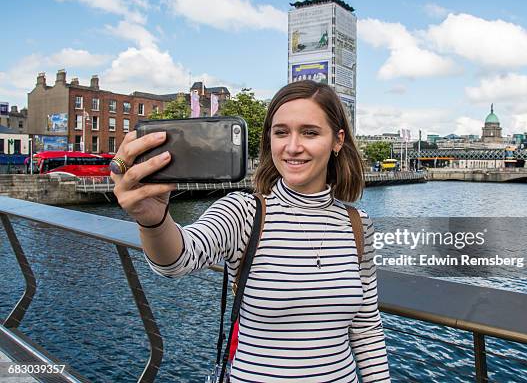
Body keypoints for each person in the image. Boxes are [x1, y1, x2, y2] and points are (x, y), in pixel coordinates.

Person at [112, 80, 391, 382]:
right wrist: (153, 220)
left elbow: (366, 328)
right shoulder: (244, 212)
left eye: (310, 132)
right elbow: (178, 260)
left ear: (337, 140)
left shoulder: (357, 224)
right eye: (281, 132)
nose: (293, 146)